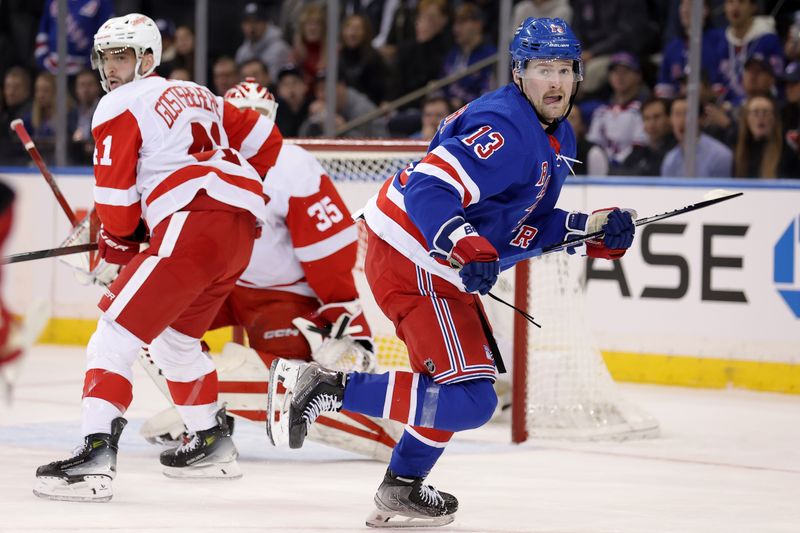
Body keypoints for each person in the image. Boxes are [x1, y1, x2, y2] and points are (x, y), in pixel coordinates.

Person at [266, 18, 637, 527]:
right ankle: (326, 386)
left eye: (564, 70)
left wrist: (589, 228)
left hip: (430, 260)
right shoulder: (505, 128)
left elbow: (520, 221)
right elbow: (428, 190)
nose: (555, 82)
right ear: (518, 73)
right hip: (414, 255)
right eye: (542, 69)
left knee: (447, 387)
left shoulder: (556, 132)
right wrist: (462, 242)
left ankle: (401, 487)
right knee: (471, 399)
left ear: (578, 76)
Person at [33, 13, 283, 503]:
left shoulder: (118, 104)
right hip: (237, 231)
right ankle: (210, 442)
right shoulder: (199, 92)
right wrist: (218, 193)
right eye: (105, 57)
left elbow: (117, 199)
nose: (110, 67)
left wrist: (121, 244)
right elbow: (266, 141)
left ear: (148, 58)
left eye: (121, 55)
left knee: (111, 337)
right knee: (176, 341)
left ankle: (94, 457)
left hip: (194, 225)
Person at [141, 79, 402, 460]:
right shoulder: (203, 164)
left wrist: (345, 317)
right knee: (146, 319)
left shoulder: (291, 166)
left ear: (272, 119)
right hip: (226, 289)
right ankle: (204, 418)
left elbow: (329, 253)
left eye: (258, 117)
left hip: (285, 301)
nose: (250, 126)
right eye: (240, 117)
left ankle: (379, 434)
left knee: (284, 387)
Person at [661, 95, 733, 177]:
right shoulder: (670, 160)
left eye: (687, 113)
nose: (681, 120)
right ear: (670, 120)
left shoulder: (720, 156)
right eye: (677, 114)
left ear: (701, 118)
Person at [734, 95, 800, 178]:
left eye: (766, 112)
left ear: (774, 119)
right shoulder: (736, 149)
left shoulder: (787, 153)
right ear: (746, 119)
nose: (761, 117)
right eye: (755, 112)